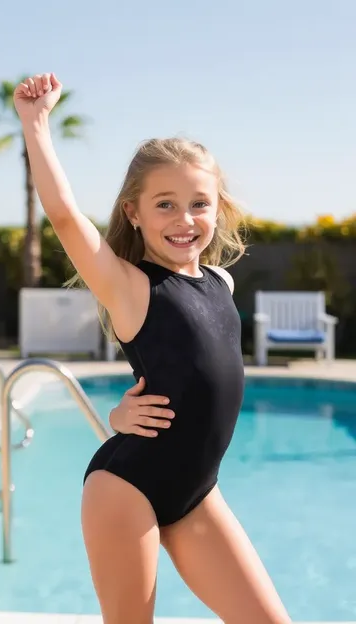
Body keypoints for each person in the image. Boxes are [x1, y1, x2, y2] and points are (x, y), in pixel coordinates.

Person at [14, 72, 292, 624]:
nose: (184, 219)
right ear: (133, 212)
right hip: (126, 489)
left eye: (198, 203)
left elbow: (184, 372)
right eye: (164, 204)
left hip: (197, 493)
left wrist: (122, 407)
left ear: (218, 209)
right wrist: (36, 124)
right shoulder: (130, 286)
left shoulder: (222, 282)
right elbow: (67, 218)